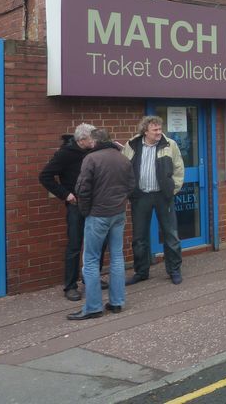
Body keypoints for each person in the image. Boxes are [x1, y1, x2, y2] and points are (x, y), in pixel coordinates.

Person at [67, 129, 135, 320]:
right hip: (118, 213)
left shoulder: (91, 158)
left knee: (90, 261)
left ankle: (93, 307)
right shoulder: (123, 158)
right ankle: (117, 302)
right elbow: (131, 186)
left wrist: (85, 210)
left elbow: (82, 188)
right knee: (117, 258)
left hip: (98, 214)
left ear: (95, 142)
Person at [39, 123, 106, 302]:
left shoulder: (93, 150)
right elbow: (45, 176)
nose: (95, 141)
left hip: (96, 204)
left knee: (98, 243)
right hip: (76, 205)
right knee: (75, 245)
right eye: (92, 138)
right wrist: (65, 194)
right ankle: (70, 286)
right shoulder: (65, 154)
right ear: (81, 140)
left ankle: (91, 277)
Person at [123, 115, 185, 285]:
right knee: (139, 237)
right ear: (145, 131)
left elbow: (179, 168)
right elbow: (124, 168)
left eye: (160, 129)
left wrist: (173, 189)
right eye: (155, 130)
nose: (159, 132)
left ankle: (174, 270)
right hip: (140, 196)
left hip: (163, 196)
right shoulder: (132, 144)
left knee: (171, 234)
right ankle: (141, 272)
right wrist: (129, 190)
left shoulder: (169, 144)